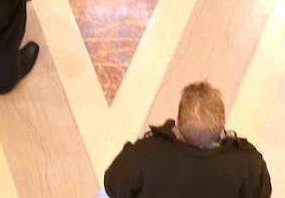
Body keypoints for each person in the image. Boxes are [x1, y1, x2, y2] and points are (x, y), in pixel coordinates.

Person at [104, 80, 269, 196]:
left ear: (179, 121)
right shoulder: (249, 165)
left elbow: (110, 191)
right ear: (221, 126)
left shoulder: (141, 155)